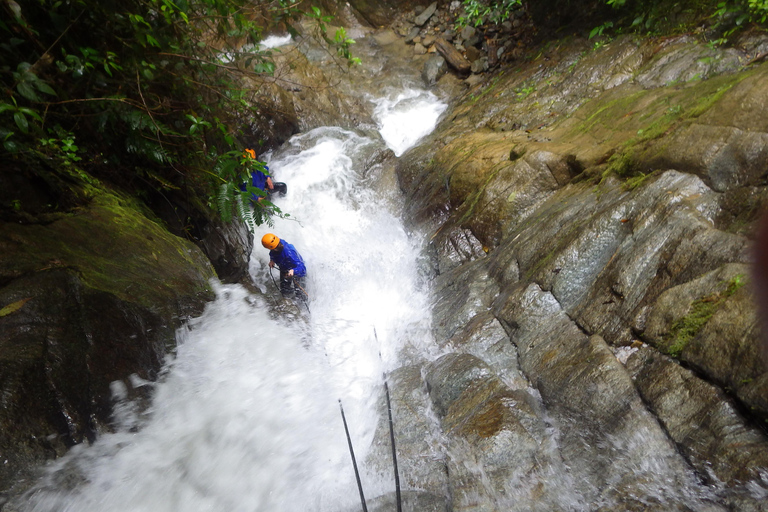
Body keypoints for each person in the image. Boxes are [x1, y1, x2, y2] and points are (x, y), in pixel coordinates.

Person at [262, 233, 307, 300]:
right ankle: (288, 300)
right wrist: (272, 260)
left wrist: (293, 271)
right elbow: (272, 253)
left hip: (297, 272)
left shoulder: (289, 253)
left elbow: (302, 268)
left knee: (300, 294)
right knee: (284, 289)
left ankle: (302, 305)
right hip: (285, 268)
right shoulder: (276, 244)